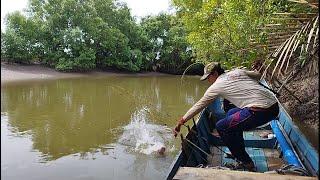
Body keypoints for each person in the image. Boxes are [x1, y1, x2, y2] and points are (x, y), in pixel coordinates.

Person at [173, 62, 279, 171]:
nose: (209, 81)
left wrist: (181, 121)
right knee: (231, 113)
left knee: (221, 127)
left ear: (215, 73)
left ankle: (246, 162)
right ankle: (238, 151)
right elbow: (258, 76)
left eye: (209, 77)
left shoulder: (216, 86)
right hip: (274, 106)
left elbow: (199, 105)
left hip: (260, 111)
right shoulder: (237, 72)